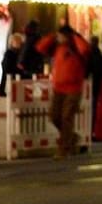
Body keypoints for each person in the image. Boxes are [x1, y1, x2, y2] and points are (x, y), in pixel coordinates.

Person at [33, 23, 91, 158]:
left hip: (73, 88)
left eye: (61, 36)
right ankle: (71, 137)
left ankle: (64, 149)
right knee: (54, 116)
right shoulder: (57, 48)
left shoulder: (76, 47)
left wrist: (75, 37)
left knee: (66, 117)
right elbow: (40, 47)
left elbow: (85, 49)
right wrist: (53, 35)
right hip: (58, 88)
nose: (59, 38)